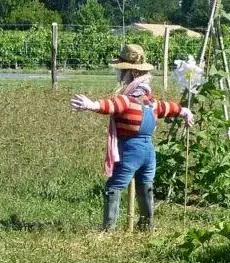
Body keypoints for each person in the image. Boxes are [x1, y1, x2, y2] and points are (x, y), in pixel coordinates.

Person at [71, 44, 194, 231]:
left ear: (129, 74)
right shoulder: (151, 102)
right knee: (146, 185)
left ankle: (109, 228)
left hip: (130, 150)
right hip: (149, 152)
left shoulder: (127, 100)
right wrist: (184, 111)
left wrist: (92, 105)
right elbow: (168, 108)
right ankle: (147, 226)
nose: (118, 76)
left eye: (121, 72)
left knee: (114, 186)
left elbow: (110, 105)